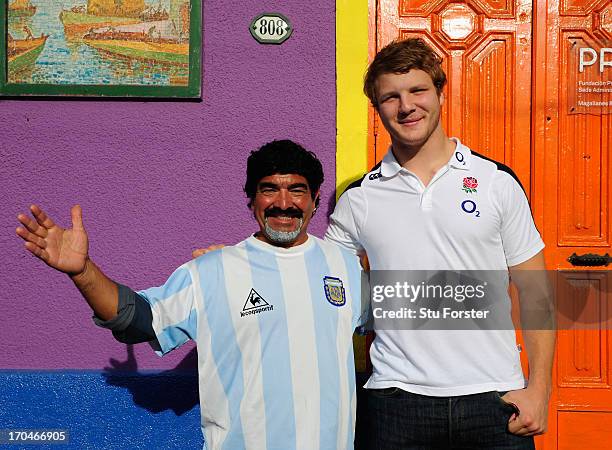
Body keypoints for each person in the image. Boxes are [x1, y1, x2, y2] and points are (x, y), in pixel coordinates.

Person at [16, 140, 368, 450]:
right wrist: (82, 271)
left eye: (297, 190)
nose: (283, 202)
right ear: (251, 200)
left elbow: (412, 311)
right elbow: (139, 320)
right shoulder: (213, 270)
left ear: (315, 199)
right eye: (269, 189)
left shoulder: (346, 267)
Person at [325, 38, 555, 449]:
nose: (406, 106)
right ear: (377, 109)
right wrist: (242, 260)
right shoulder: (358, 198)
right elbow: (318, 280)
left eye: (417, 90)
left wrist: (538, 389)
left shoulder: (496, 183)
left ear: (440, 93)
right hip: (396, 403)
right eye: (390, 97)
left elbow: (536, 291)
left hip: (495, 399)